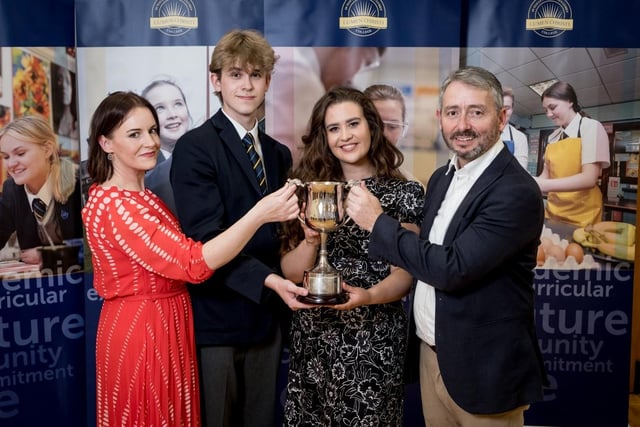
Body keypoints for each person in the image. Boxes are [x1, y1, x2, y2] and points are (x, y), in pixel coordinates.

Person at [82, 90, 303, 427]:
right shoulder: (117, 205)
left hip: (167, 325)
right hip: (144, 332)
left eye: (152, 131)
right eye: (134, 134)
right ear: (106, 143)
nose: (150, 142)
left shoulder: (141, 197)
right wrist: (259, 214)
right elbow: (192, 263)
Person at [345, 66, 547, 427]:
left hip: (484, 369)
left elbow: (452, 269)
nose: (463, 125)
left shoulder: (515, 191)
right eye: (453, 112)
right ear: (440, 118)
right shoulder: (441, 177)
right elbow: (423, 256)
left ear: (503, 117)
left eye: (477, 112)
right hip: (432, 355)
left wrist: (378, 223)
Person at [170, 29, 307, 427]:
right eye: (235, 74)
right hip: (219, 317)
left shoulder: (279, 154)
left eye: (256, 74)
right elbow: (204, 239)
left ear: (267, 81)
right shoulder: (195, 147)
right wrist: (269, 281)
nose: (247, 84)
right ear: (216, 81)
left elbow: (283, 237)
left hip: (268, 319)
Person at [280, 86, 424, 426]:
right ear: (324, 136)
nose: (345, 136)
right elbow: (290, 272)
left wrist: (368, 296)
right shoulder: (307, 189)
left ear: (371, 127)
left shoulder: (405, 192)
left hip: (373, 337)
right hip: (314, 337)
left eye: (353, 124)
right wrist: (312, 241)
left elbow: (405, 274)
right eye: (334, 128)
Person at [267, 46, 384, 165]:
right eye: (365, 61)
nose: (351, 79)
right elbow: (285, 164)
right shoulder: (297, 75)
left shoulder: (282, 54)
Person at [0, 115, 82, 264]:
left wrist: (48, 256)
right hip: (42, 286)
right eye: (5, 157)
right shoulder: (11, 190)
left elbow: (97, 247)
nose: (11, 164)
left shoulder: (80, 183)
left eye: (20, 153)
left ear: (47, 149)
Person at [537, 81, 610, 227]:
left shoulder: (591, 127)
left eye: (552, 107)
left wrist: (542, 184)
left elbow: (589, 178)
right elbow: (546, 175)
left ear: (570, 101)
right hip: (553, 213)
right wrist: (529, 183)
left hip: (583, 216)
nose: (548, 114)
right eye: (545, 110)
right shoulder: (552, 137)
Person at [143, 79, 193, 214]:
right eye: (160, 108)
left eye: (178, 104)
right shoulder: (144, 173)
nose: (172, 115)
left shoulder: (205, 152)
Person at [501, 86, 529, 170]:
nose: (503, 112)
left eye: (507, 108)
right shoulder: (480, 133)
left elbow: (520, 170)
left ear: (512, 109)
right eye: (498, 107)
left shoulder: (520, 138)